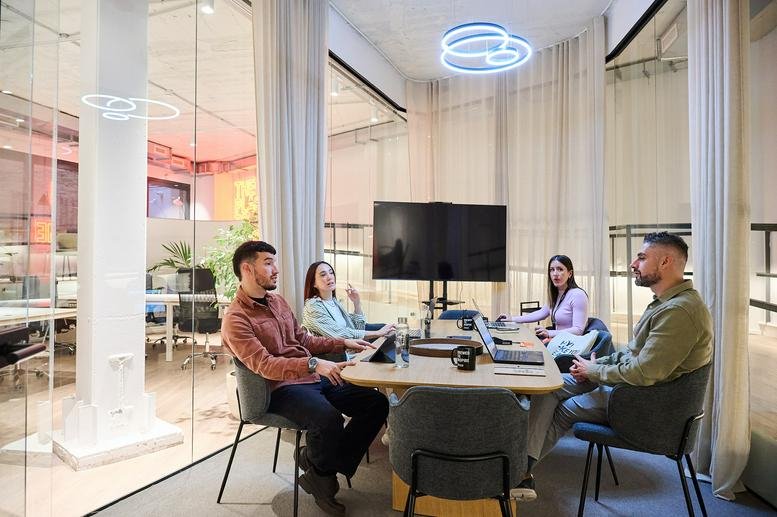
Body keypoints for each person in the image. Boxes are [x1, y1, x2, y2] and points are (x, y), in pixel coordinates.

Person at [512, 232, 713, 502]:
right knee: (550, 387)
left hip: (643, 403)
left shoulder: (679, 312)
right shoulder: (665, 304)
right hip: (629, 387)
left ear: (665, 262)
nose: (633, 264)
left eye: (642, 257)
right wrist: (595, 365)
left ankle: (514, 472)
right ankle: (518, 471)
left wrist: (595, 372)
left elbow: (643, 372)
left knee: (563, 408)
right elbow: (631, 354)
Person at [220, 241, 389, 516]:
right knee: (328, 418)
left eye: (274, 262)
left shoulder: (277, 301)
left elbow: (303, 339)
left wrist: (343, 342)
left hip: (309, 379)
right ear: (247, 269)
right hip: (280, 389)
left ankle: (318, 466)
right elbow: (264, 365)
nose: (276, 269)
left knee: (375, 402)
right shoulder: (236, 319)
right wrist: (312, 364)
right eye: (268, 263)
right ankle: (323, 478)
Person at [302, 261, 395, 344]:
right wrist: (377, 333)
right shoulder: (312, 307)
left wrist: (357, 303)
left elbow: (358, 330)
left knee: (392, 332)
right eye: (323, 275)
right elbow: (340, 334)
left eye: (331, 272)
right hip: (336, 357)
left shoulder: (334, 302)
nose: (329, 277)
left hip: (354, 351)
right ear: (314, 283)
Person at [498, 255, 589, 339]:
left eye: (560, 269)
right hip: (557, 341)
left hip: (569, 346)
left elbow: (578, 330)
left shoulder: (578, 295)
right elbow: (541, 313)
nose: (555, 273)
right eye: (552, 269)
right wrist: (512, 319)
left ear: (570, 274)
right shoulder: (557, 293)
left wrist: (549, 333)